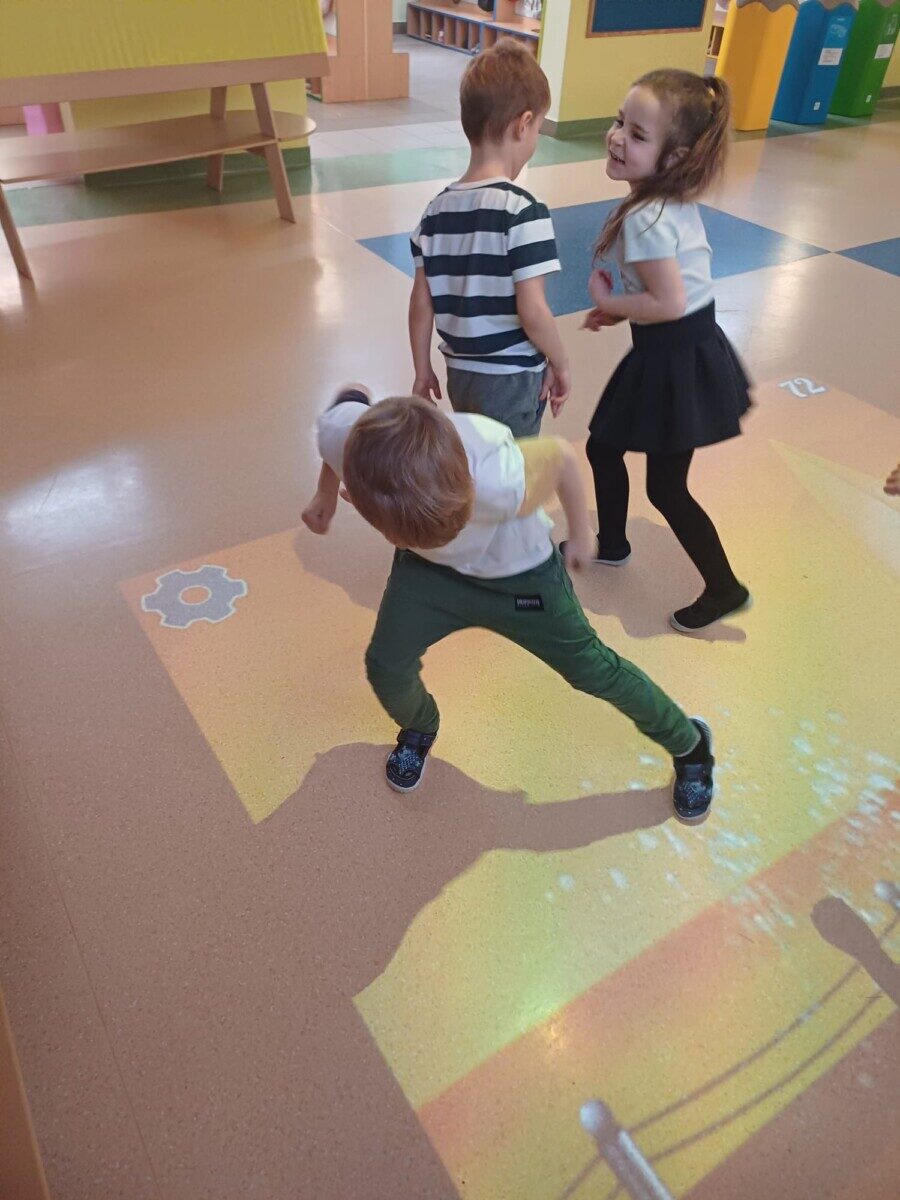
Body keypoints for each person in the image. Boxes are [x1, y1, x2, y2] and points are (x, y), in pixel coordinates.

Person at [301, 387, 716, 822]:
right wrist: (325, 494)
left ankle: (689, 744)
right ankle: (420, 726)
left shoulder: (498, 479)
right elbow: (337, 438)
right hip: (429, 573)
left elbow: (559, 457)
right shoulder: (352, 437)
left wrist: (580, 532)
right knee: (385, 664)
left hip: (520, 575)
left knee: (591, 669)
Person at [579, 70, 752, 633]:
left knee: (666, 488)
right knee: (604, 447)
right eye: (619, 122)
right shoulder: (664, 201)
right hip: (680, 349)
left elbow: (670, 301)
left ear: (675, 157)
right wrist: (622, 309)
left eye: (637, 134)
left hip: (674, 357)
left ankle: (724, 588)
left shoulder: (645, 217)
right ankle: (612, 543)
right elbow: (674, 293)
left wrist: (612, 301)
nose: (616, 138)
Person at [408, 38, 570, 438]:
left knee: (477, 456)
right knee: (512, 465)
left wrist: (422, 368)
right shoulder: (523, 211)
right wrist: (561, 362)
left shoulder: (434, 213)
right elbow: (533, 312)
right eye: (538, 129)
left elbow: (421, 304)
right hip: (512, 378)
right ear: (523, 124)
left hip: (460, 374)